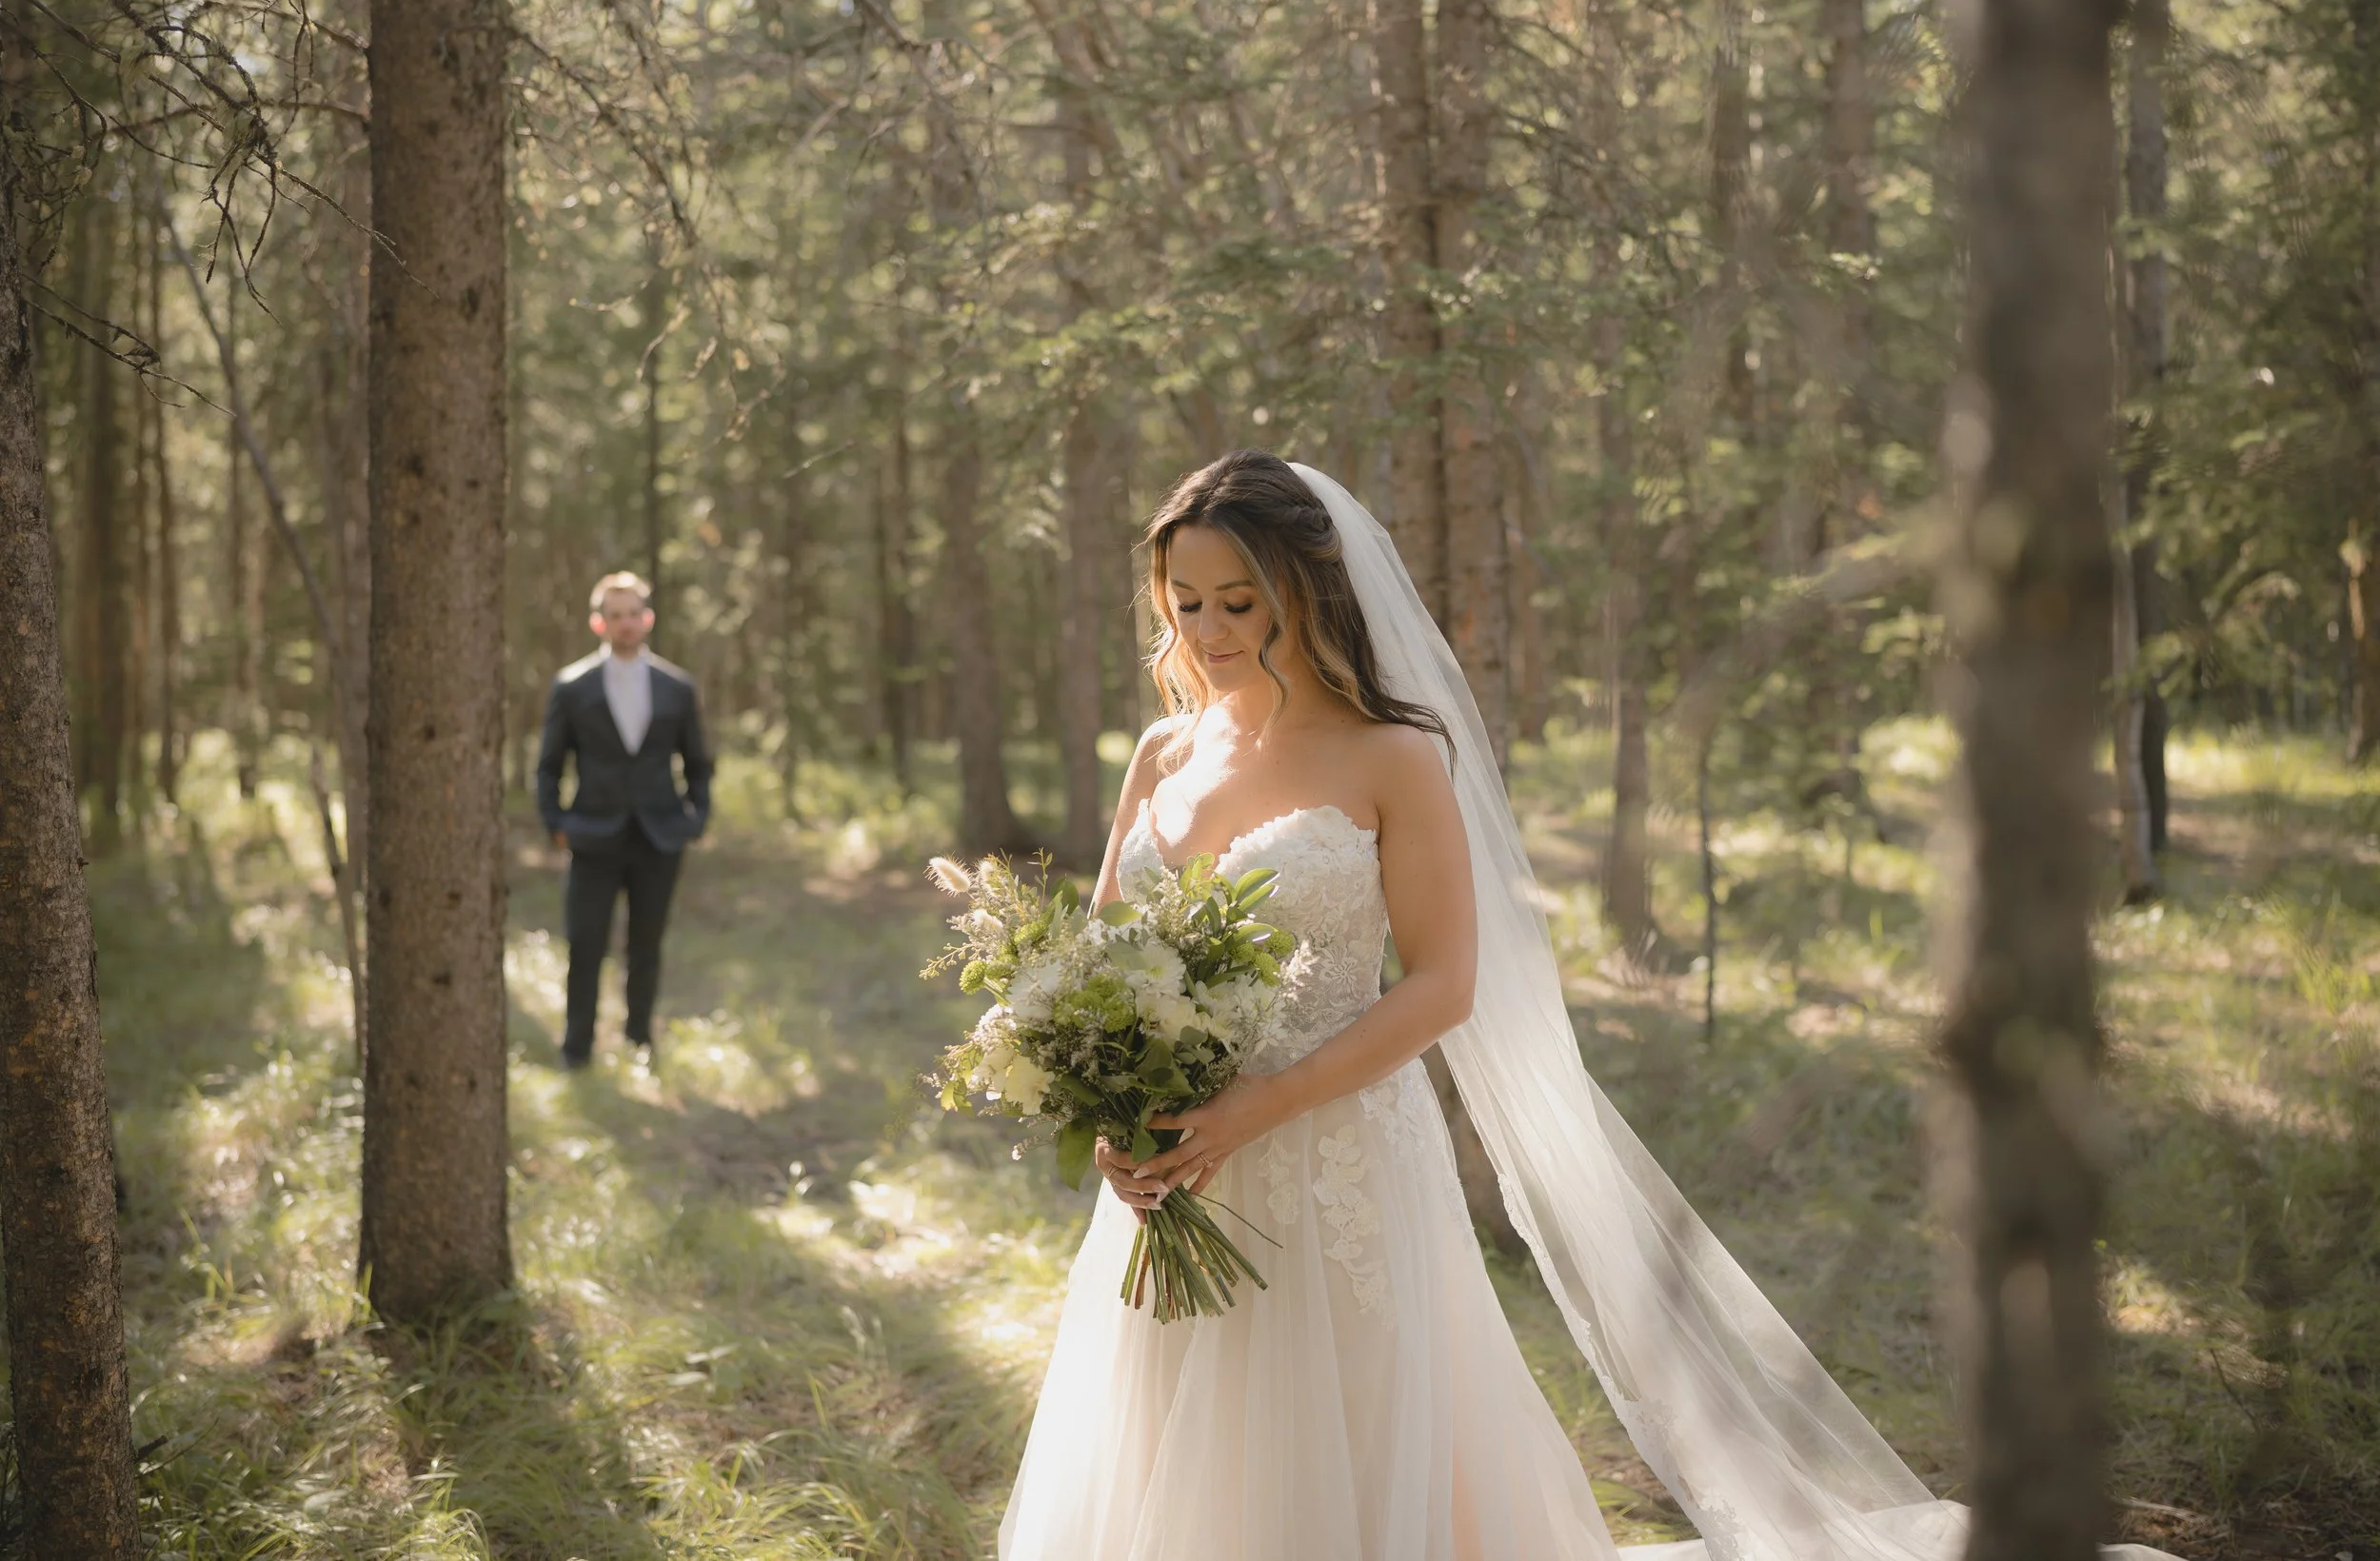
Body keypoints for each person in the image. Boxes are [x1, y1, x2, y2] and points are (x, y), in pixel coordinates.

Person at [997, 453, 2179, 1561]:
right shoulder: (1160, 752)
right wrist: (1117, 1111)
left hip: (1333, 1151)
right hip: (1177, 1166)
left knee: (1351, 1437)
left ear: (1305, 592)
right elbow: (1106, 954)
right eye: (1185, 602)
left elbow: (1442, 985)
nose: (1207, 634)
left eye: (1238, 603)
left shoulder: (1390, 754)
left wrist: (1265, 1104)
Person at [537, 572, 713, 1069]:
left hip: (659, 837)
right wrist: (555, 822)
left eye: (633, 614)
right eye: (615, 615)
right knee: (586, 945)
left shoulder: (676, 687)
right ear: (599, 623)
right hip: (592, 836)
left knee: (647, 945)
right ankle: (578, 1049)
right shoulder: (572, 687)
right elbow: (549, 764)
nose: (626, 623)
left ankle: (639, 1042)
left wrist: (695, 818)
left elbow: (698, 762)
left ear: (647, 618)